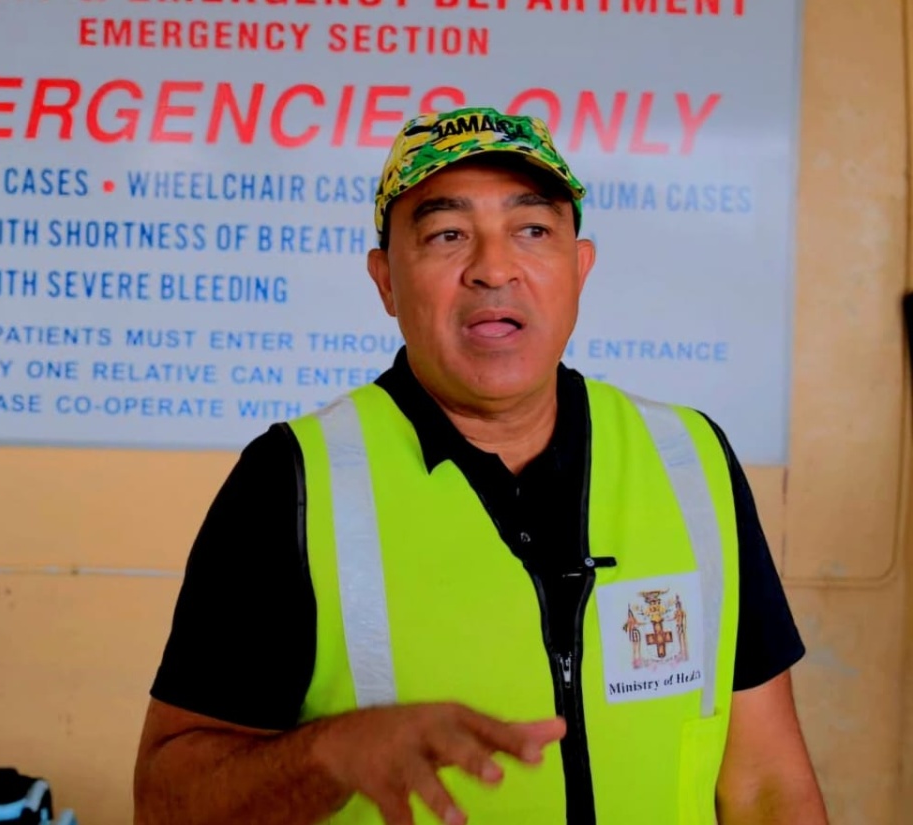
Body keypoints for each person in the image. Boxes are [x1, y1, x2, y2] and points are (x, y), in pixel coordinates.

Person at [132, 106, 827, 825]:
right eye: (447, 234)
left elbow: (767, 786)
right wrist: (329, 752)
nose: (494, 268)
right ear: (385, 282)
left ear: (579, 267)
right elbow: (165, 803)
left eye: (532, 230)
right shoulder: (294, 481)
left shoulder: (690, 460)